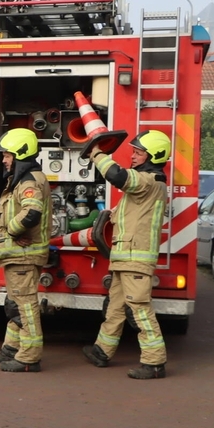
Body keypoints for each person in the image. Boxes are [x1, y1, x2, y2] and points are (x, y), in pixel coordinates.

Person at [82, 130, 171, 379]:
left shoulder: (149, 181)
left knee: (139, 309)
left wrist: (96, 153)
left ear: (153, 156)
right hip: (126, 257)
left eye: (138, 152)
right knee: (116, 308)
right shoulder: (145, 185)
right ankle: (102, 351)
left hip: (135, 258)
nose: (132, 156)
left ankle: (154, 363)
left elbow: (116, 175)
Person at [0, 128, 52, 373]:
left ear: (20, 154)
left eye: (7, 155)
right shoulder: (24, 178)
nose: (4, 160)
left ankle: (29, 357)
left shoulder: (28, 181)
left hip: (24, 256)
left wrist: (11, 232)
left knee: (25, 306)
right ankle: (11, 347)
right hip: (19, 256)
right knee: (16, 303)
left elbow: (32, 212)